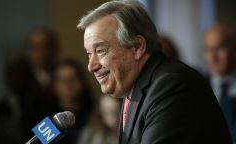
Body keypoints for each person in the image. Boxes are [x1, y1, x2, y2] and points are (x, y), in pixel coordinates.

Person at [77, 1, 232, 143]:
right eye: (89, 54)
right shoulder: (136, 86)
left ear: (137, 47)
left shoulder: (170, 86)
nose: (91, 66)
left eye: (100, 50)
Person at [6, 27, 59, 142]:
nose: (40, 52)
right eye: (34, 47)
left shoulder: (63, 74)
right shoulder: (23, 82)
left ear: (54, 49)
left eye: (44, 46)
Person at [203, 24, 236, 142]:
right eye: (207, 49)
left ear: (233, 48)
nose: (213, 57)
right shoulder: (196, 85)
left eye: (219, 48)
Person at [53, 59, 94, 144]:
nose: (67, 84)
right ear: (54, 85)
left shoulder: (95, 116)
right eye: (62, 79)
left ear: (82, 82)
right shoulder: (45, 119)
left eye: (72, 78)